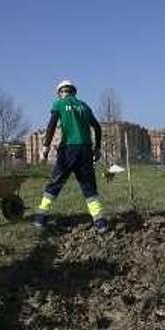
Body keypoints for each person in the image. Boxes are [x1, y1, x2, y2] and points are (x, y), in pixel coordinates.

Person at [33, 79, 107, 231]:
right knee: (88, 186)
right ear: (74, 91)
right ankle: (100, 222)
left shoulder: (59, 104)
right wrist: (97, 148)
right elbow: (97, 127)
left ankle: (40, 218)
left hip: (68, 150)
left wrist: (45, 148)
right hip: (86, 150)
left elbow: (51, 125)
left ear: (61, 92)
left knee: (56, 182)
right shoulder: (84, 106)